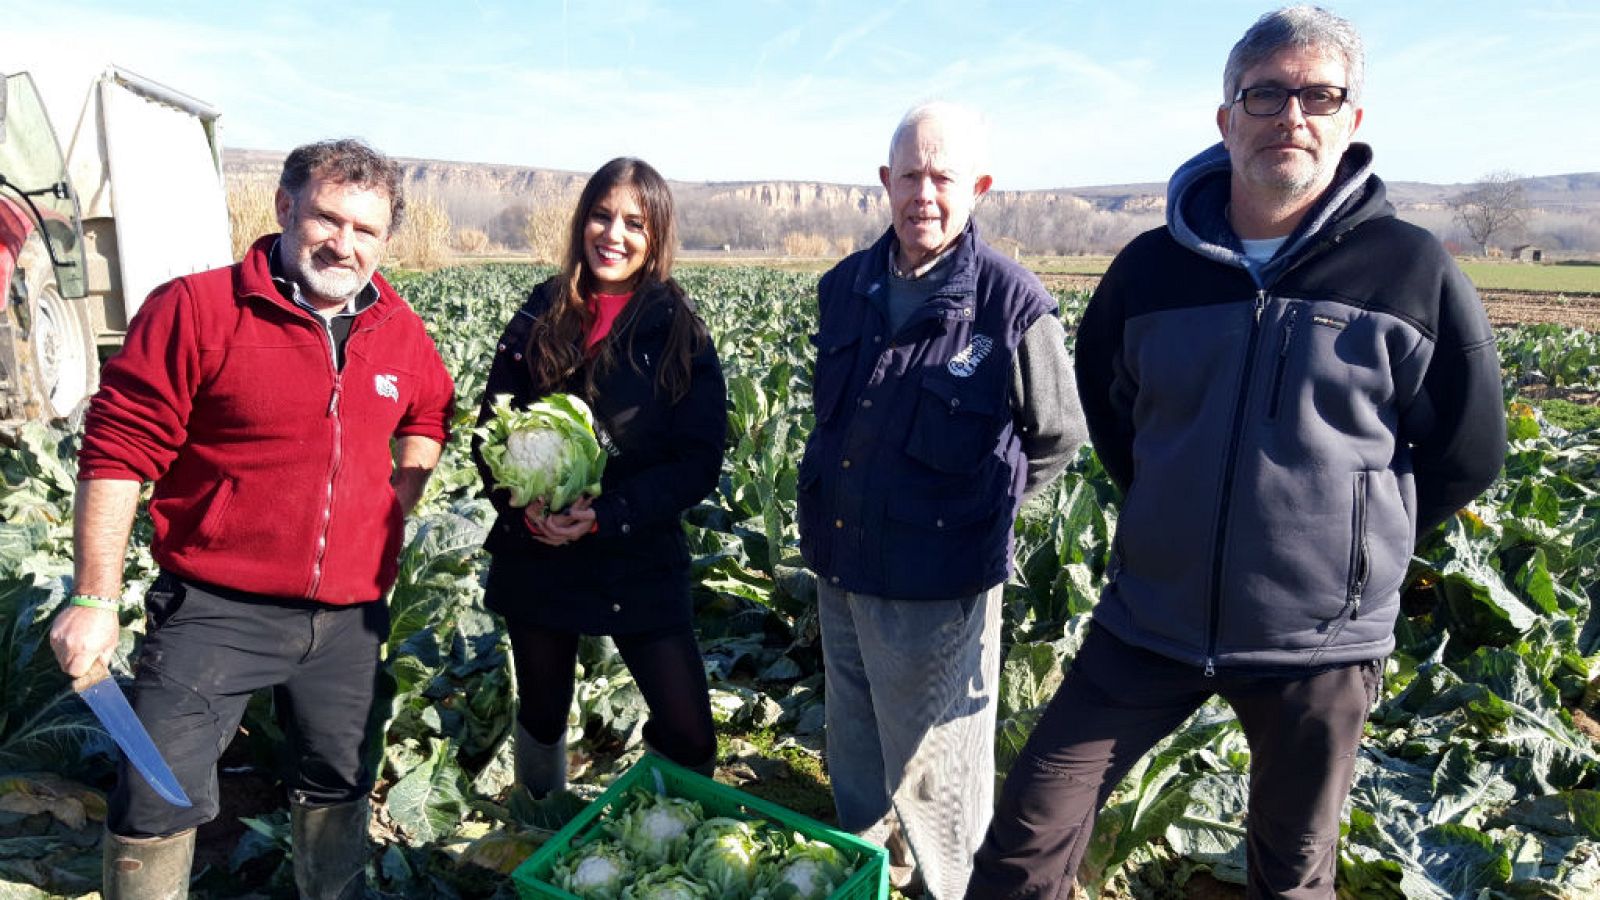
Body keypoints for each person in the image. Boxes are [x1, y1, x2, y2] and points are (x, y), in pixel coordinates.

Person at [966, 7, 1508, 899]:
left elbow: (1465, 451)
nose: (1291, 115)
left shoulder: (1410, 270)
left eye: (1319, 95)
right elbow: (1117, 421)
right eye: (1265, 94)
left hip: (1318, 645)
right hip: (1151, 620)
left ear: (1351, 120)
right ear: (1226, 119)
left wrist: (1353, 547)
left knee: (1291, 877)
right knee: (1027, 836)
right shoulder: (1149, 271)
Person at [46, 139, 455, 898]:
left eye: (366, 230)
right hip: (217, 610)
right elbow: (118, 451)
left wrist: (395, 505)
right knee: (155, 791)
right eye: (327, 219)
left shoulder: (397, 326)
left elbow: (430, 408)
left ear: (386, 238)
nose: (344, 243)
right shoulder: (199, 308)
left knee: (339, 782)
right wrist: (94, 598)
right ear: (284, 209)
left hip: (348, 622)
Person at [797, 101, 1086, 900]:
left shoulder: (1011, 305)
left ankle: (951, 885)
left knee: (939, 767)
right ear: (885, 182)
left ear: (978, 188)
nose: (925, 193)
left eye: (944, 177)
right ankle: (866, 870)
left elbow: (1058, 436)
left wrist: (983, 517)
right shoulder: (844, 288)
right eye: (910, 175)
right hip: (841, 561)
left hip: (939, 581)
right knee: (852, 737)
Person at [473, 157, 727, 794]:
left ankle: (660, 824)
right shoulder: (540, 314)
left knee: (690, 728)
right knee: (542, 711)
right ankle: (541, 827)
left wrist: (607, 513)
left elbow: (698, 461)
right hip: (538, 554)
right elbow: (490, 431)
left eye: (633, 223)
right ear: (582, 221)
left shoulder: (679, 334)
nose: (613, 234)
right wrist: (521, 508)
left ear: (656, 236)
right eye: (601, 215)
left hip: (633, 550)